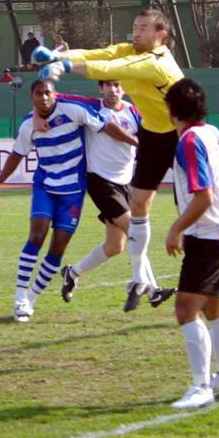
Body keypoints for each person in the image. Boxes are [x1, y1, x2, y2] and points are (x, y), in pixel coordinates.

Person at [32, 8, 185, 311]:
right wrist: (57, 57)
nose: (136, 32)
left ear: (160, 35)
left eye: (143, 28)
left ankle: (73, 272)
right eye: (135, 26)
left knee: (116, 245)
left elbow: (108, 66)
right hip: (106, 176)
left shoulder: (150, 70)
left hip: (168, 143)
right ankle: (148, 286)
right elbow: (98, 56)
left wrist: (64, 63)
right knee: (136, 221)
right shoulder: (95, 102)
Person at [0, 79, 139, 321]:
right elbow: (17, 155)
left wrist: (137, 142)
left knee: (58, 248)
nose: (44, 97)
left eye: (47, 93)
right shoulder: (28, 125)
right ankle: (20, 296)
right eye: (39, 94)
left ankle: (31, 300)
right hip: (45, 186)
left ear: (55, 94)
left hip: (73, 191)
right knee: (36, 237)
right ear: (32, 97)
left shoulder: (74, 110)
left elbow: (107, 126)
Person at [58, 81, 172, 310]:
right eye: (108, 85)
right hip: (100, 181)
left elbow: (149, 137)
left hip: (126, 183)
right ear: (101, 89)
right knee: (135, 231)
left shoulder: (134, 112)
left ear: (124, 88)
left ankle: (72, 272)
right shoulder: (92, 107)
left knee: (114, 246)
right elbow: (58, 96)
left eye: (117, 85)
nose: (113, 90)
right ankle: (152, 290)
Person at [163, 78, 219, 410]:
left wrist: (176, 228)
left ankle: (201, 385)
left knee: (185, 309)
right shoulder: (212, 132)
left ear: (171, 110)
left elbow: (203, 196)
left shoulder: (189, 141)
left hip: (209, 235)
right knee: (212, 307)